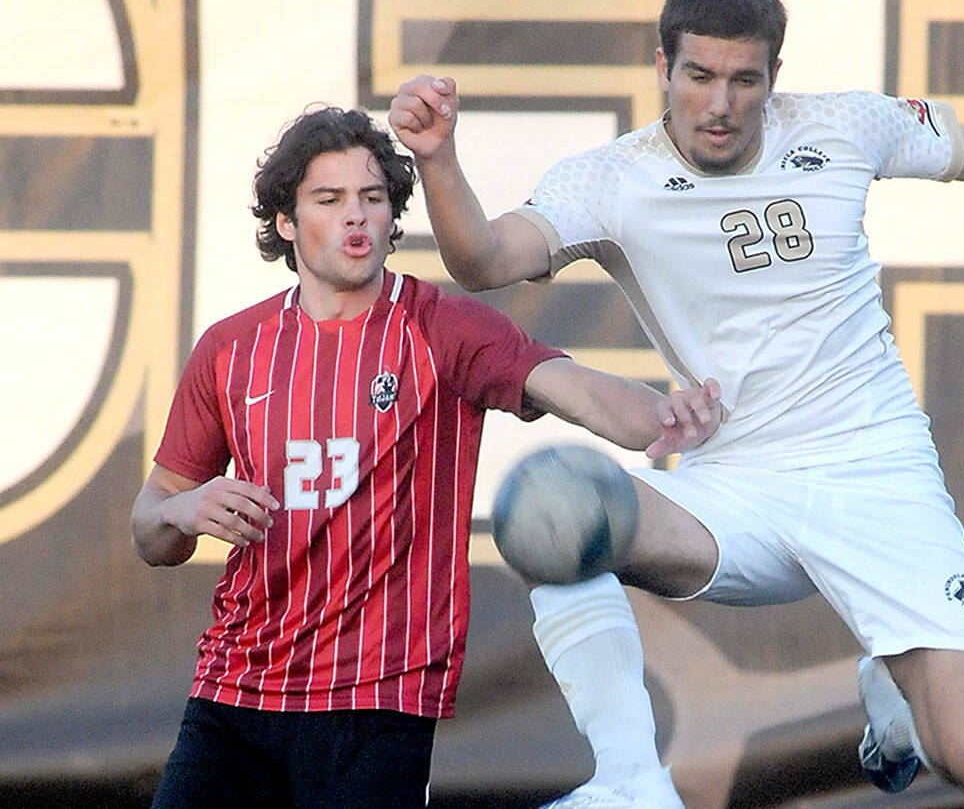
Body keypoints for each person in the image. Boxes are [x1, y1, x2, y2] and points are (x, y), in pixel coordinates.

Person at [387, 0, 964, 807]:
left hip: (875, 474)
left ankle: (889, 687)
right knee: (556, 508)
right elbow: (484, 260)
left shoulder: (840, 127)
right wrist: (436, 160)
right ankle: (629, 779)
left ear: (774, 77)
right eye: (699, 76)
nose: (719, 104)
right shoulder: (611, 180)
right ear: (663, 65)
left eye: (744, 81)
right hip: (733, 489)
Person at [131, 106, 722, 809]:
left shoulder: (441, 328)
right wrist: (183, 506)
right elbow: (149, 530)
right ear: (286, 222)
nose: (357, 217)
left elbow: (578, 391)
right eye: (330, 200)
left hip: (378, 697)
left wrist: (663, 414)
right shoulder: (232, 350)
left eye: (373, 198)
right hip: (236, 690)